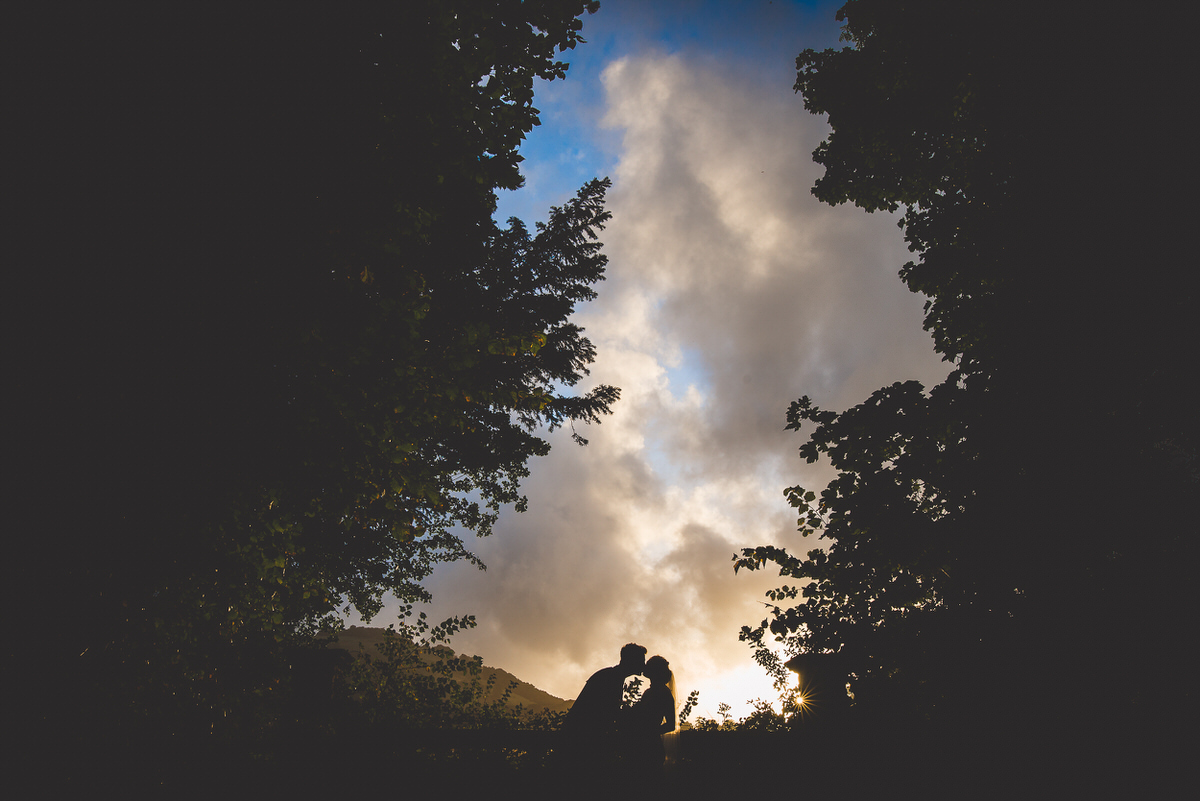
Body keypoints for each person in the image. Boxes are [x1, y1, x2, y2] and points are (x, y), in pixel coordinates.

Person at [560, 643, 647, 774]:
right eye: (641, 661)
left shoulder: (611, 676)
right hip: (582, 740)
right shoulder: (610, 678)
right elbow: (605, 713)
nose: (643, 665)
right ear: (632, 661)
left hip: (582, 738)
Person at [623, 654, 676, 777]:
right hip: (640, 744)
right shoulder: (648, 692)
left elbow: (671, 725)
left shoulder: (664, 693)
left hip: (651, 746)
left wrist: (649, 731)